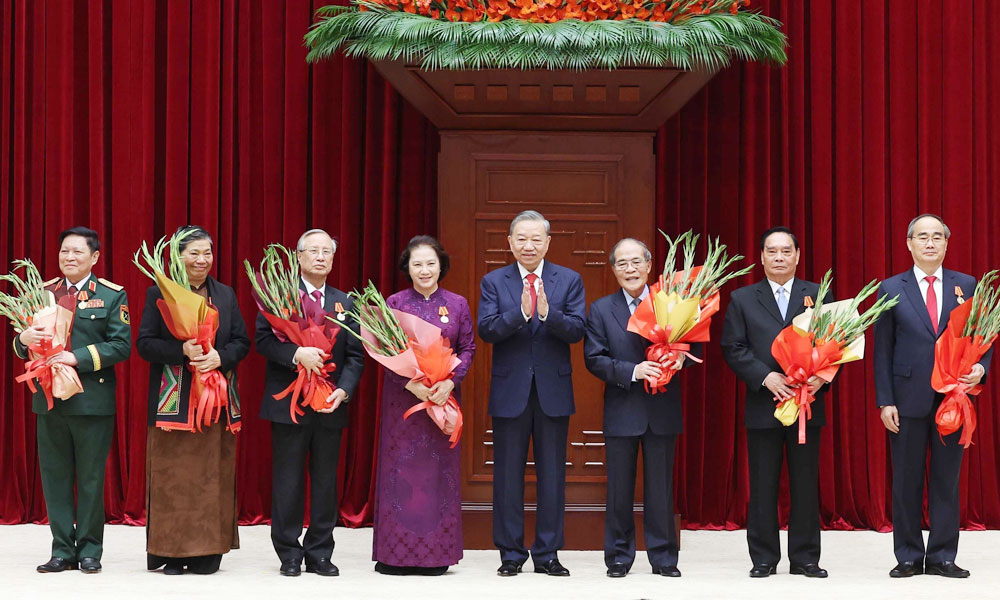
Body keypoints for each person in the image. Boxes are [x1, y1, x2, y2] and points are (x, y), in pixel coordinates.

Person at [873, 214, 991, 579]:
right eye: (922, 237)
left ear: (946, 243)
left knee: (946, 481)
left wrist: (980, 368)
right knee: (906, 481)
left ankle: (942, 556)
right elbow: (882, 350)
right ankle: (908, 555)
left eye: (937, 237)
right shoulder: (891, 287)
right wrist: (885, 400)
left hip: (953, 399)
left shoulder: (966, 285)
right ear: (909, 243)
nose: (929, 243)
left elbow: (983, 336)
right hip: (906, 398)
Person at [13, 227, 131, 574]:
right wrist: (23, 337)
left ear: (94, 257)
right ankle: (62, 550)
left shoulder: (111, 295)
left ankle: (91, 550)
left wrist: (76, 357)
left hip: (91, 400)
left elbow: (121, 345)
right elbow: (23, 346)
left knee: (92, 479)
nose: (69, 258)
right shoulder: (43, 292)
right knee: (55, 477)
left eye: (78, 252)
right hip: (50, 401)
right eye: (65, 251)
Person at [477, 210, 586, 577]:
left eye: (536, 239)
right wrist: (521, 315)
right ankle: (510, 553)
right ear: (509, 242)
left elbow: (576, 331)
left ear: (548, 243)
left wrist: (547, 314)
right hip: (511, 391)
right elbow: (487, 330)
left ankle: (548, 554)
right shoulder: (494, 281)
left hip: (553, 390)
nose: (528, 245)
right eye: (521, 239)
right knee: (507, 474)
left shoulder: (568, 280)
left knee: (552, 474)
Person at [137, 225, 250, 575]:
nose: (202, 260)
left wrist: (221, 358)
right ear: (178, 256)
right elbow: (144, 344)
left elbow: (242, 342)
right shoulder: (159, 292)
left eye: (207, 253)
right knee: (174, 477)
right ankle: (172, 552)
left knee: (211, 477)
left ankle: (208, 553)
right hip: (176, 402)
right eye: (194, 253)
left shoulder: (226, 295)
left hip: (215, 402)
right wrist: (180, 349)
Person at [720, 226, 831, 578]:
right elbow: (733, 347)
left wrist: (820, 375)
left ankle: (805, 558)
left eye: (786, 251)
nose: (779, 257)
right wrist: (763, 377)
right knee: (764, 485)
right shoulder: (743, 298)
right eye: (772, 251)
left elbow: (836, 345)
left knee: (805, 484)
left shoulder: (819, 294)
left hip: (805, 404)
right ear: (762, 257)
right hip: (763, 405)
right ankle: (764, 558)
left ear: (798, 255)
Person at [256, 229, 365, 577]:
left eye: (326, 252)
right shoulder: (278, 296)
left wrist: (343, 390)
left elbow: (356, 356)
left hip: (329, 404)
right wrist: (296, 353)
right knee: (287, 480)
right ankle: (288, 552)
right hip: (289, 403)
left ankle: (320, 551)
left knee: (324, 481)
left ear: (333, 259)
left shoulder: (346, 302)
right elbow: (262, 342)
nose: (320, 257)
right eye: (312, 251)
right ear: (298, 257)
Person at [584, 238, 693, 578]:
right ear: (614, 270)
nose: (630, 269)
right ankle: (618, 556)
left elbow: (689, 348)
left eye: (636, 262)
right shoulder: (602, 309)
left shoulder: (671, 305)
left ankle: (663, 557)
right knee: (619, 489)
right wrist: (633, 371)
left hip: (662, 409)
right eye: (622, 264)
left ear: (648, 266)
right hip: (622, 407)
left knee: (661, 490)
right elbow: (594, 358)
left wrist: (678, 359)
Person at [372, 235, 475, 575]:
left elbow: (468, 349)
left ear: (441, 265)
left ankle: (436, 554)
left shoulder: (457, 304)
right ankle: (394, 555)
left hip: (442, 402)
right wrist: (411, 384)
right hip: (404, 404)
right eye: (417, 264)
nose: (425, 270)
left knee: (436, 475)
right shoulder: (395, 302)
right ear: (407, 268)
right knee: (401, 473)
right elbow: (386, 353)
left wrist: (449, 382)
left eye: (431, 263)